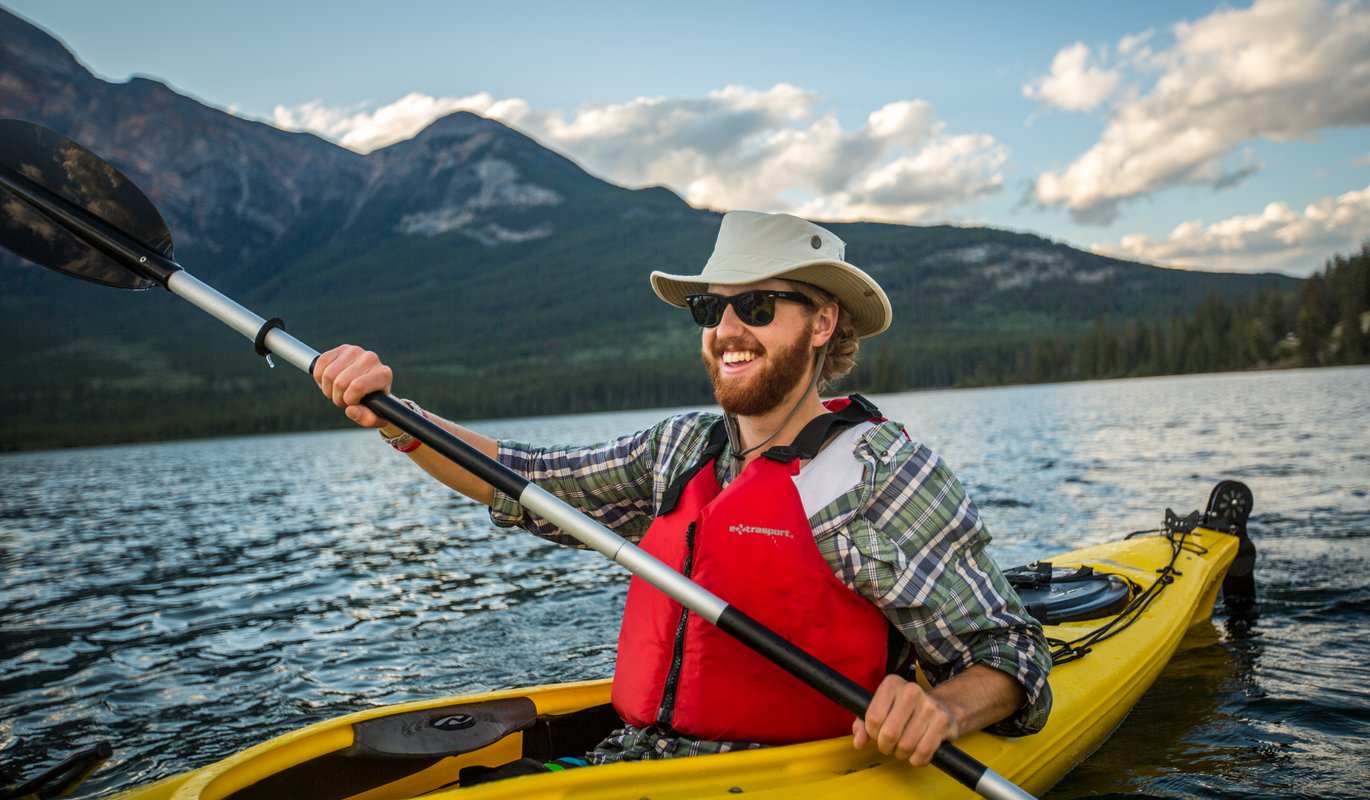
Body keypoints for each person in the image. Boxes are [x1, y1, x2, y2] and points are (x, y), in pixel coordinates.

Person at [313, 210, 1052, 768]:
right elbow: (523, 480)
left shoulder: (882, 474)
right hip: (636, 761)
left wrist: (942, 708)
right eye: (711, 309)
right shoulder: (679, 450)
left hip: (792, 773)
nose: (727, 328)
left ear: (823, 321)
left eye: (757, 307)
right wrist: (395, 416)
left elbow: (1014, 658)